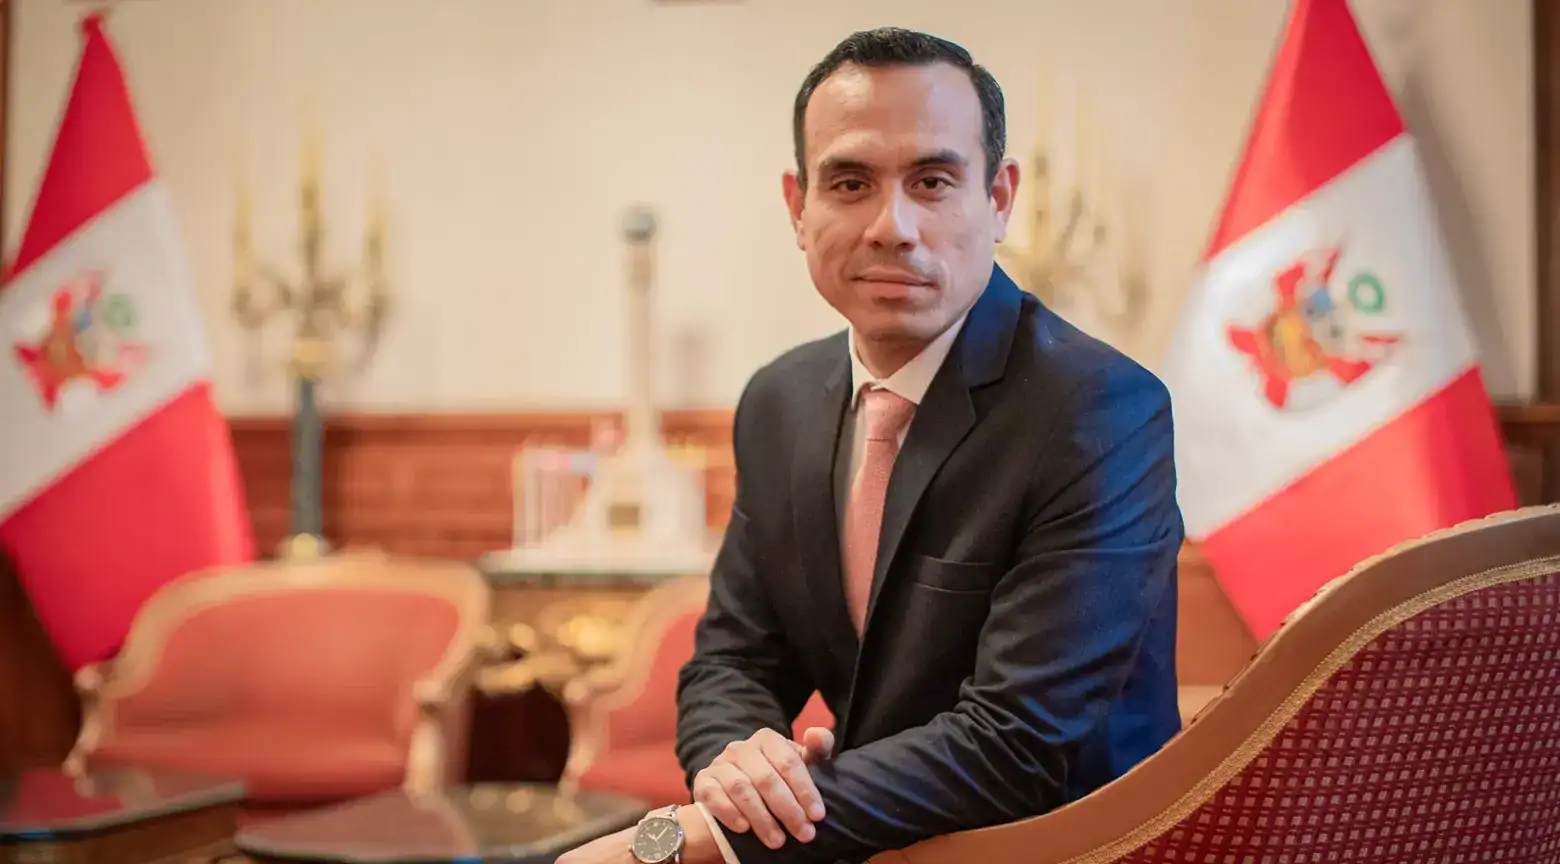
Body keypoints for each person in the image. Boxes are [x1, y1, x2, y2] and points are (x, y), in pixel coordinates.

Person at [559, 26, 1182, 864]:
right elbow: (732, 662)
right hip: (858, 839)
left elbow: (1016, 742)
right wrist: (745, 772)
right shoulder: (778, 401)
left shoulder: (1099, 409)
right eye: (850, 182)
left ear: (999, 198)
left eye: (933, 180)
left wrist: (693, 843)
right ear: (797, 206)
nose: (893, 226)